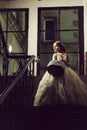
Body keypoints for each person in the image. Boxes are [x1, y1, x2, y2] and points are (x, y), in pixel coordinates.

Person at [33, 41, 87, 106]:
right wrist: (57, 61)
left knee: (67, 85)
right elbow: (53, 62)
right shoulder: (55, 55)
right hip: (56, 70)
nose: (56, 48)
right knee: (53, 85)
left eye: (57, 46)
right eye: (55, 47)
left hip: (65, 70)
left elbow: (69, 64)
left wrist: (64, 61)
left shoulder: (66, 54)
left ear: (60, 46)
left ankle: (67, 102)